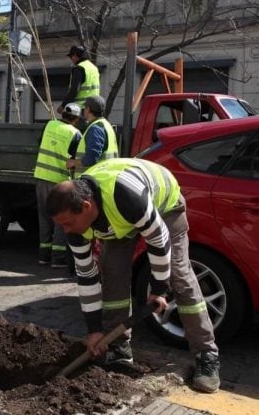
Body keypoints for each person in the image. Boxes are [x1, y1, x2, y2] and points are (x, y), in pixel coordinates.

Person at [46, 158, 221, 393]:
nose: (66, 230)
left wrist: (159, 289)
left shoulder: (126, 195)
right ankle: (118, 347)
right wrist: (95, 329)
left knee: (178, 274)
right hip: (118, 220)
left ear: (86, 206)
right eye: (61, 225)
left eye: (68, 223)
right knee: (112, 273)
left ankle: (206, 355)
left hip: (164, 207)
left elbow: (158, 240)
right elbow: (87, 276)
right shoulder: (75, 226)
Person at [33, 103, 82, 268]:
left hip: (41, 177)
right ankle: (58, 258)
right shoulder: (75, 134)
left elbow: (40, 143)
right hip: (59, 182)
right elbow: (76, 158)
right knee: (61, 220)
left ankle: (43, 256)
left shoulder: (50, 124)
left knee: (44, 218)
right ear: (76, 118)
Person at [66, 95, 118, 174]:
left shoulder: (96, 128)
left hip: (94, 180)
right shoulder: (106, 125)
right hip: (105, 178)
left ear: (88, 109)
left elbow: (91, 158)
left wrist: (73, 162)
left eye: (85, 107)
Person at [57, 45, 100, 115]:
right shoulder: (94, 68)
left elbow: (74, 90)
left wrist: (63, 106)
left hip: (80, 110)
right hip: (93, 109)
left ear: (75, 55)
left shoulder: (79, 68)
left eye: (71, 56)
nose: (71, 59)